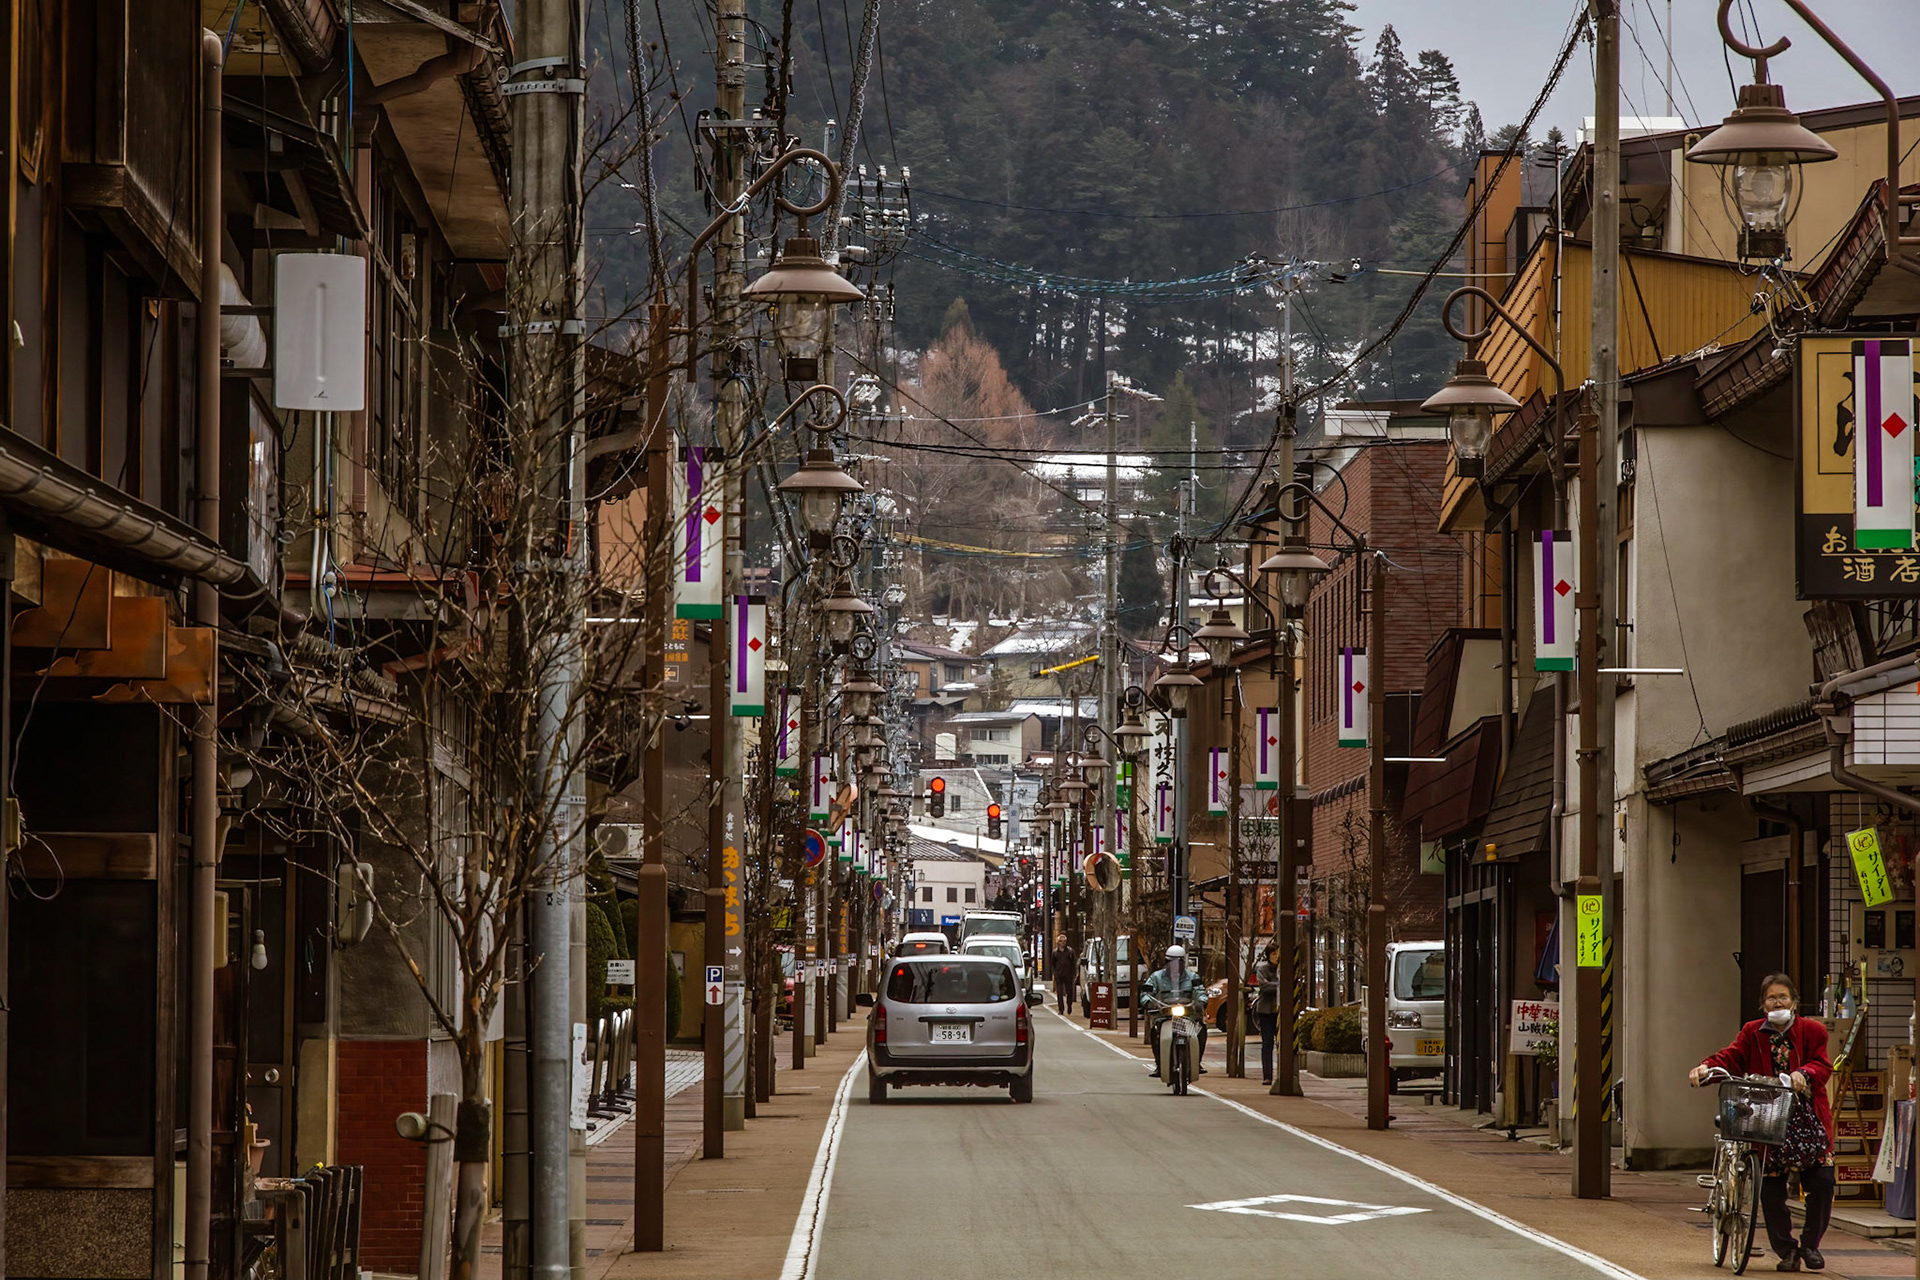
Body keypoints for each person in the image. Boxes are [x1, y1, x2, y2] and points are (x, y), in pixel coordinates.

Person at [1689, 973, 1834, 1272]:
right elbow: (1730, 1057)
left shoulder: (1813, 1031)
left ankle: (1811, 1245)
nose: (1777, 1002)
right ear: (1762, 1004)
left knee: (1822, 1181)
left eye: (1783, 997)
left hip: (1807, 1118)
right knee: (1770, 1187)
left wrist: (1804, 1073)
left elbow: (1822, 1064)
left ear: (1794, 1001)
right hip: (1767, 1117)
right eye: (1771, 998)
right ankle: (1787, 1251)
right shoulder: (1752, 1032)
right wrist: (1705, 1068)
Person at [1140, 944, 1209, 1077]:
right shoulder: (1156, 977)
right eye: (1171, 962)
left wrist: (1200, 1002)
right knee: (1155, 1033)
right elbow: (1146, 993)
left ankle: (1196, 1061)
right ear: (1166, 962)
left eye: (1178, 962)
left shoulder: (1192, 977)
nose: (1175, 965)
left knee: (1201, 1031)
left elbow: (1200, 991)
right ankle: (1159, 1064)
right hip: (1164, 1016)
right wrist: (1150, 1003)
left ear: (1183, 962)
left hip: (1188, 1016)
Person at [1252, 942, 1281, 1086]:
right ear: (1268, 956)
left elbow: (1289, 985)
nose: (1276, 957)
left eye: (1277, 953)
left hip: (1281, 1011)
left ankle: (1282, 1074)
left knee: (1282, 1044)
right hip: (1265, 1011)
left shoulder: (1284, 968)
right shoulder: (1262, 969)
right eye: (1273, 954)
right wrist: (1279, 985)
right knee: (1267, 1044)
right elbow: (1263, 987)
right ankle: (1267, 1076)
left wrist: (1273, 984)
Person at [1050, 934, 1078, 1015]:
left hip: (1068, 975)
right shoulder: (1055, 953)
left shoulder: (1070, 951)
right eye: (1061, 941)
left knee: (1069, 992)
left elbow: (1073, 963)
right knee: (1059, 992)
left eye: (1064, 941)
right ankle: (1061, 1009)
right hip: (1059, 975)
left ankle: (1069, 1005)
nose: (1062, 943)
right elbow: (1053, 964)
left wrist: (1074, 973)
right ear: (1058, 942)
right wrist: (1055, 973)